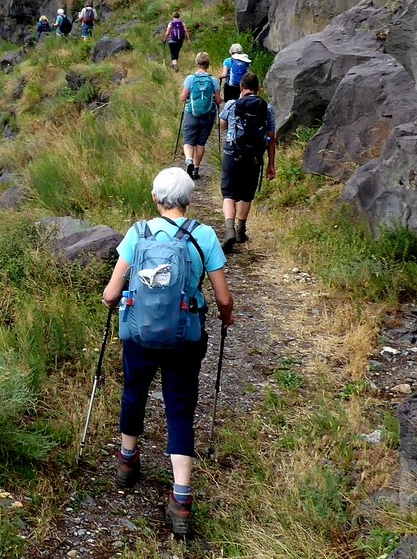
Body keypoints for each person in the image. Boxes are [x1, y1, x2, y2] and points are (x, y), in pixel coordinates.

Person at [102, 167, 235, 538]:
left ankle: (127, 462)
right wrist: (227, 316)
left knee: (134, 392)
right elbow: (223, 298)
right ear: (189, 199)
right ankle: (181, 498)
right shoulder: (203, 235)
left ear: (154, 198)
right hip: (184, 337)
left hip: (139, 334)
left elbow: (112, 293)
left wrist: (112, 302)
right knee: (179, 407)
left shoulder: (138, 233)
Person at [219, 71, 276, 250]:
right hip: (254, 156)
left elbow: (222, 125)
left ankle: (229, 230)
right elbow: (272, 138)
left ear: (241, 87)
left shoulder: (232, 104)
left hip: (232, 153)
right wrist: (271, 165)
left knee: (229, 194)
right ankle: (240, 231)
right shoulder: (267, 108)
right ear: (258, 88)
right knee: (246, 194)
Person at [180, 52, 221, 180]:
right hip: (208, 116)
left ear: (196, 62)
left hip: (191, 114)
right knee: (200, 143)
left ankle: (189, 160)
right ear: (208, 64)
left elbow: (183, 97)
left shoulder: (190, 79)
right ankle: (196, 169)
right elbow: (218, 100)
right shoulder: (213, 80)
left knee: (188, 141)